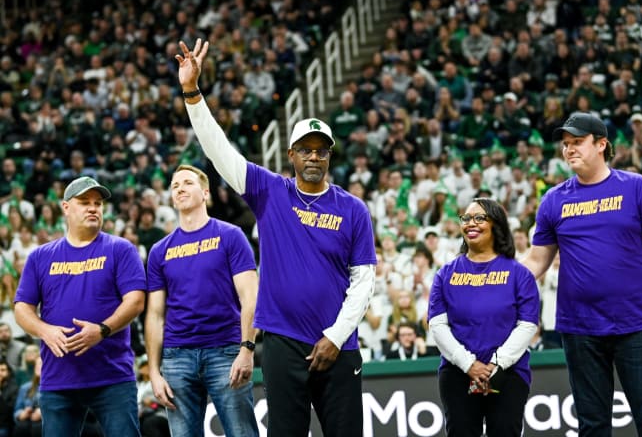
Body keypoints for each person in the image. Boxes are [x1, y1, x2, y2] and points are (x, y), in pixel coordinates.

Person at [177, 39, 377, 436]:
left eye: (322, 151)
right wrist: (192, 94)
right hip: (283, 342)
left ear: (331, 155)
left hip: (339, 345)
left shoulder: (353, 209)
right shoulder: (271, 192)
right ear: (291, 154)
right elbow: (221, 153)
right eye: (306, 150)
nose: (314, 157)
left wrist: (335, 337)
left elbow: (364, 281)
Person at [521, 112, 642, 436]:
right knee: (592, 425)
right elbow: (537, 261)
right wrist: (495, 283)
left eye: (577, 142)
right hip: (580, 327)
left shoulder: (638, 188)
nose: (569, 149)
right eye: (566, 144)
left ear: (601, 144)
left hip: (639, 323)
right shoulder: (553, 200)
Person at [13, 176, 146, 436]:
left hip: (112, 376)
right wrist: (45, 331)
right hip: (58, 378)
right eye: (84, 202)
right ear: (65, 207)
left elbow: (136, 301)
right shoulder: (40, 257)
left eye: (97, 203)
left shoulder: (121, 249)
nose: (93, 208)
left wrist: (103, 330)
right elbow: (22, 308)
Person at [145, 164, 259, 437]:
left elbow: (251, 297)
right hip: (177, 357)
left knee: (242, 433)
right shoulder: (159, 251)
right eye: (175, 186)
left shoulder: (230, 236)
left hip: (226, 352)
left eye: (187, 183)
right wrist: (153, 371)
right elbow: (155, 315)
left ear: (205, 193)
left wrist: (247, 350)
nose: (180, 188)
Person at [428, 198, 539, 437]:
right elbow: (437, 326)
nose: (470, 223)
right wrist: (469, 364)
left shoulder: (519, 274)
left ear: (496, 225)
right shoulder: (445, 275)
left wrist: (496, 365)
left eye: (479, 218)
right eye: (466, 218)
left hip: (508, 373)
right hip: (457, 374)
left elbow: (527, 325)